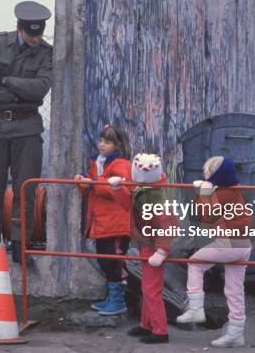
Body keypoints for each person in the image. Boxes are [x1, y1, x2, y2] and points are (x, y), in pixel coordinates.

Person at [0, 1, 53, 266]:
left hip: (27, 128)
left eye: (39, 34)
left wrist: (5, 80)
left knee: (25, 190)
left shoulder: (46, 53)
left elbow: (40, 88)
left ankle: (20, 244)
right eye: (31, 35)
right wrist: (13, 94)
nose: (36, 39)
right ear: (19, 28)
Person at [176, 156, 253, 348]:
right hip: (243, 245)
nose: (204, 175)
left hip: (228, 243)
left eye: (207, 172)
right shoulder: (233, 190)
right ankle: (236, 332)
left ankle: (195, 308)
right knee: (234, 290)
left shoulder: (220, 194)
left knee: (194, 263)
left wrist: (202, 193)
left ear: (217, 175)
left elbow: (206, 218)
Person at [108, 153, 176, 344]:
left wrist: (162, 251)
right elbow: (128, 204)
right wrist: (117, 188)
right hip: (148, 243)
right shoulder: (145, 191)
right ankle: (147, 324)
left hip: (153, 246)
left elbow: (168, 225)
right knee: (148, 288)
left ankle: (160, 330)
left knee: (151, 289)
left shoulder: (154, 197)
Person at [75, 124, 132, 316]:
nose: (101, 144)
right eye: (101, 140)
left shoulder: (121, 165)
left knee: (114, 262)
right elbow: (92, 188)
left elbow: (114, 189)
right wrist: (82, 183)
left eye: (107, 142)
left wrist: (92, 184)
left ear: (118, 145)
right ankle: (112, 297)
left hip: (115, 224)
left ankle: (118, 301)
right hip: (103, 223)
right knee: (105, 261)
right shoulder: (99, 163)